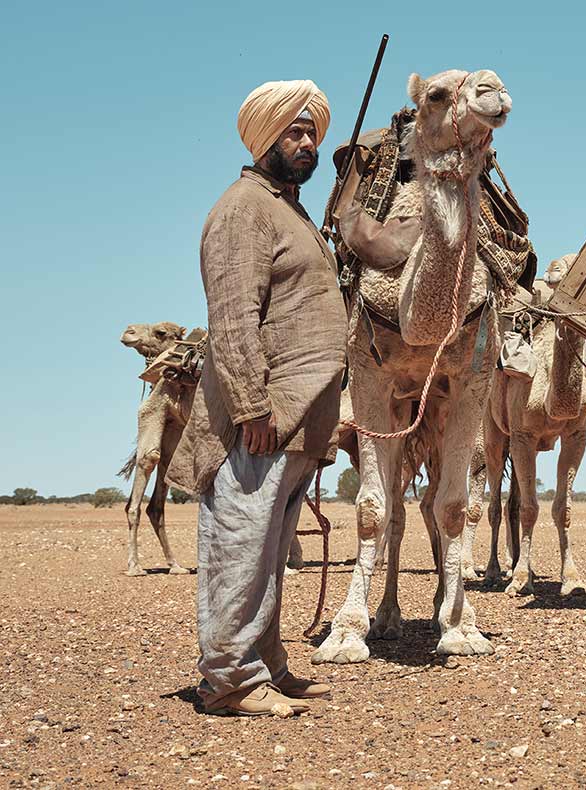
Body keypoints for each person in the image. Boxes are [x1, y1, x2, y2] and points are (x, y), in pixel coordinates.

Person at [167, 79, 348, 715]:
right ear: (263, 137)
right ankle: (230, 681)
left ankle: (266, 663)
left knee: (271, 548)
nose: (305, 144)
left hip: (299, 414)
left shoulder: (288, 210)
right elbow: (233, 316)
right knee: (241, 542)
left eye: (311, 134)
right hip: (264, 413)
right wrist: (251, 407)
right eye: (293, 133)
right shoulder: (244, 207)